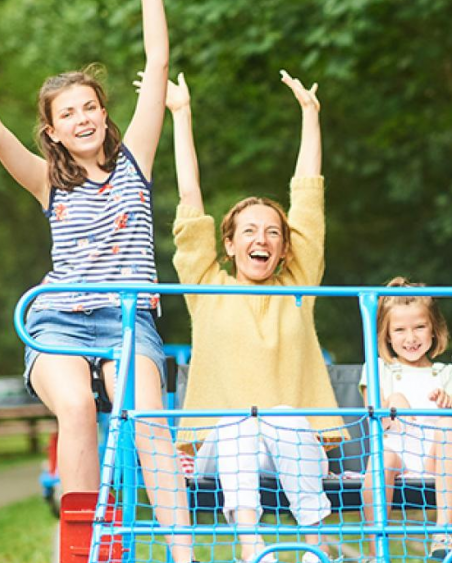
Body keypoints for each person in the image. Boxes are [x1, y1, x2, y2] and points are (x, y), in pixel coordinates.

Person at [0, 0, 192, 561]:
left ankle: (184, 550)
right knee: (76, 410)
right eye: (68, 113)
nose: (83, 117)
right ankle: (86, 550)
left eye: (90, 106)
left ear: (103, 112)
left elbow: (159, 63)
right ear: (53, 131)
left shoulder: (135, 163)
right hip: (59, 321)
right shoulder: (47, 182)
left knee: (146, 419)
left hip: (127, 322)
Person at [165, 69, 343, 563]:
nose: (260, 240)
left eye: (272, 232)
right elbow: (190, 203)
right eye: (248, 231)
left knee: (279, 416)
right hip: (221, 449)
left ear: (286, 249)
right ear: (228, 244)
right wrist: (181, 115)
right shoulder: (206, 287)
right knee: (242, 420)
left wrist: (310, 116)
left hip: (293, 444)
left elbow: (308, 200)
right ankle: (253, 549)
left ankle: (314, 548)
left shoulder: (299, 288)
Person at [358, 278, 452, 562]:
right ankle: (376, 550)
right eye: (400, 330)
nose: (411, 338)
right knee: (380, 459)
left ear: (434, 330)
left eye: (419, 327)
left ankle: (443, 532)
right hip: (396, 449)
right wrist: (395, 403)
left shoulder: (449, 373)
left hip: (434, 456)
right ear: (387, 335)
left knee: (451, 426)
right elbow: (375, 418)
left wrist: (445, 405)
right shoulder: (378, 369)